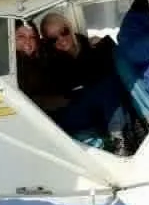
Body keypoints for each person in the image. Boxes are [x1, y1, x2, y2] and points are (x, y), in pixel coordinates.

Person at [39, 12, 131, 155]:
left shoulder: (92, 46)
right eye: (53, 39)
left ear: (69, 27)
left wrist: (105, 45)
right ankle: (118, 138)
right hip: (76, 111)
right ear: (47, 41)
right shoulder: (51, 62)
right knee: (102, 87)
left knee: (109, 84)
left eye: (64, 32)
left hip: (105, 106)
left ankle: (118, 137)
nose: (61, 40)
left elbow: (115, 73)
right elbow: (64, 93)